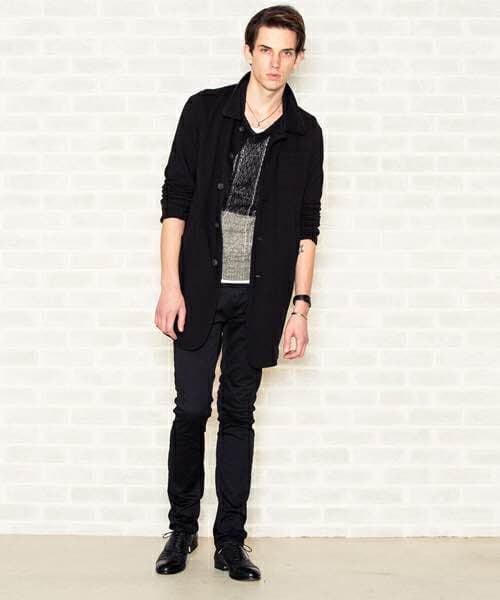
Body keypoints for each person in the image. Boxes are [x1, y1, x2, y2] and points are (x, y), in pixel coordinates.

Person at [154, 5, 324, 581]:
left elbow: (307, 226)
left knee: (237, 414)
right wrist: (170, 286)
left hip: (261, 298)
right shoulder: (204, 112)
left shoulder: (306, 133)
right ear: (248, 51)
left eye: (286, 52)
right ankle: (181, 529)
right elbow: (175, 202)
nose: (275, 62)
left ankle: (230, 540)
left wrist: (300, 307)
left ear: (298, 59)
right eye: (265, 49)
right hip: (200, 289)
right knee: (191, 408)